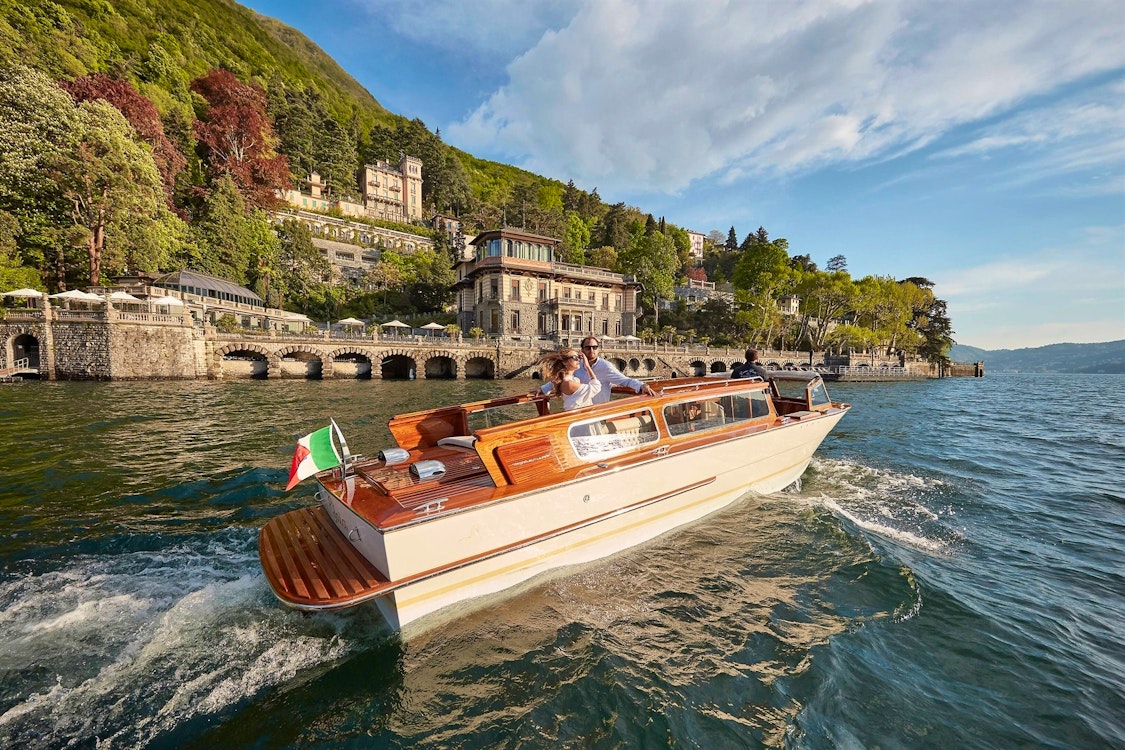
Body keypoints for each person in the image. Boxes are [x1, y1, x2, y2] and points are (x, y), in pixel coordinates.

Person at [540, 336, 656, 404]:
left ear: (598, 350)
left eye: (595, 347)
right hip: (579, 414)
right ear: (582, 350)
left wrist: (642, 386)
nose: (591, 350)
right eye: (588, 347)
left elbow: (625, 380)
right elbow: (561, 378)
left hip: (598, 412)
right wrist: (543, 389)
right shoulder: (576, 365)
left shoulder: (605, 367)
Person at [537, 347, 602, 410]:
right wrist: (587, 366)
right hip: (580, 418)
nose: (578, 360)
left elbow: (555, 381)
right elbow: (596, 387)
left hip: (580, 416)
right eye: (575, 357)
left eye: (578, 357)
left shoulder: (567, 379)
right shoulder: (569, 383)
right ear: (564, 362)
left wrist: (544, 388)